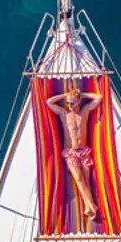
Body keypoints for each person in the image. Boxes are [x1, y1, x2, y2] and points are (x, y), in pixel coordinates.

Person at [46, 87, 103, 219]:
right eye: (68, 103)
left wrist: (81, 94)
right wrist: (65, 95)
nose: (69, 105)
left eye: (72, 103)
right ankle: (92, 205)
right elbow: (49, 102)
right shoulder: (63, 113)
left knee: (85, 180)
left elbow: (98, 97)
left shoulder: (85, 111)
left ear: (78, 102)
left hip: (83, 151)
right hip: (70, 152)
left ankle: (88, 207)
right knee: (78, 178)